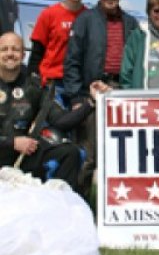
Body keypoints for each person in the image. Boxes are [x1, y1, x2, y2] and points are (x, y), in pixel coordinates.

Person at [63, 0, 139, 196]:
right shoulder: (85, 20)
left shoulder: (131, 22)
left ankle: (119, 208)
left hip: (122, 93)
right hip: (92, 94)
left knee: (123, 154)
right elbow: (72, 62)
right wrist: (77, 98)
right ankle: (81, 206)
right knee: (89, 156)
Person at [0, 32, 105, 191]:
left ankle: (62, 208)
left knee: (70, 152)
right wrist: (12, 143)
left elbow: (61, 121)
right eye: (4, 49)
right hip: (5, 148)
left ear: (23, 55)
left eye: (15, 49)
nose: (10, 54)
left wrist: (91, 102)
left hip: (23, 154)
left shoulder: (34, 85)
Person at [27, 0, 88, 86]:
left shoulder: (89, 16)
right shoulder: (49, 13)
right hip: (51, 80)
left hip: (78, 82)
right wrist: (32, 79)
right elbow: (37, 52)